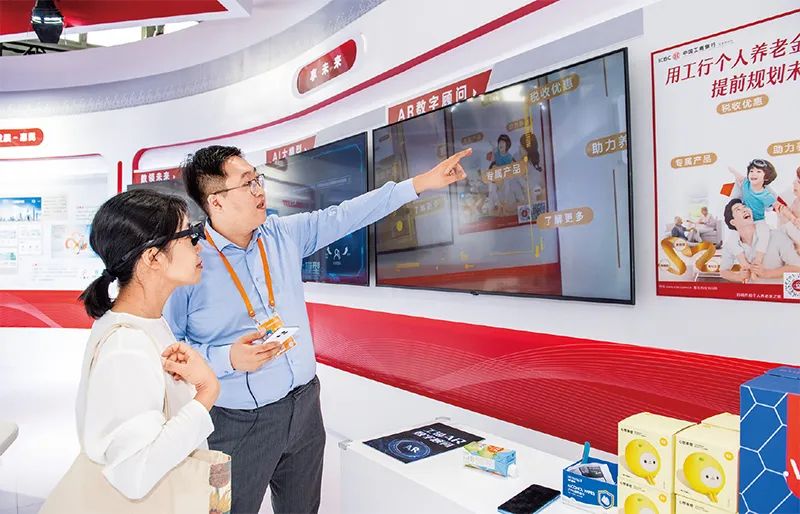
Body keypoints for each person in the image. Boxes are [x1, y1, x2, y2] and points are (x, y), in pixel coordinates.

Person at [164, 145, 471, 513]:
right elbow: (169, 350)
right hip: (235, 423)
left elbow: (347, 215)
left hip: (305, 408)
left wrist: (419, 183)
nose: (260, 191)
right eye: (247, 184)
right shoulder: (188, 262)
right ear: (216, 201)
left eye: (258, 179)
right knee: (223, 510)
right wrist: (227, 358)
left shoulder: (282, 234)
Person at [73, 189, 254, 504]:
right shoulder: (126, 346)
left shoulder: (146, 323)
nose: (199, 245)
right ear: (153, 258)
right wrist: (206, 392)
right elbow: (134, 473)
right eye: (188, 236)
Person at [720, 198, 800, 283]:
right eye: (738, 209)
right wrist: (739, 277)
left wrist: (767, 273)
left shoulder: (777, 236)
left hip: (775, 291)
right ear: (733, 222)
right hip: (750, 291)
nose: (744, 210)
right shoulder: (731, 245)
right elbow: (723, 272)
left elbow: (797, 267)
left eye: (745, 207)